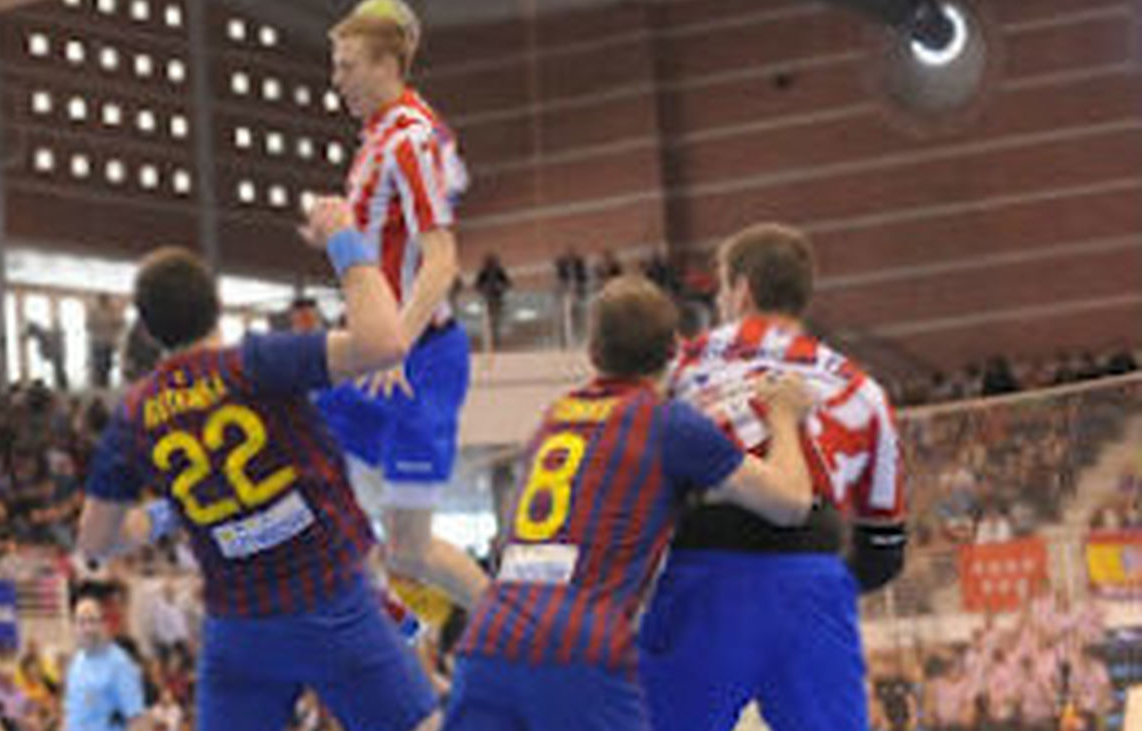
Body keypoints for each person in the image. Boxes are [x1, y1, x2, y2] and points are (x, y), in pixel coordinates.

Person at [76, 197, 439, 731]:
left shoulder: (134, 414)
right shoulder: (255, 362)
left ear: (148, 332)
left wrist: (165, 514)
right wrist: (343, 236)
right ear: (216, 305)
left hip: (240, 631)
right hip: (330, 599)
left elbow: (96, 541)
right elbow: (384, 342)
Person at [443, 275, 816, 730]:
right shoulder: (667, 424)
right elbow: (790, 503)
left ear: (592, 352)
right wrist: (784, 415)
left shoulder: (553, 418)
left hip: (488, 638)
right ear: (674, 349)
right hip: (577, 644)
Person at [640, 223, 907, 731]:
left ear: (741, 290)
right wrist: (811, 585)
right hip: (812, 575)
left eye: (722, 289)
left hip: (706, 572)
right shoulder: (863, 389)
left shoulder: (681, 366)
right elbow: (884, 550)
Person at [316, 0, 488, 610]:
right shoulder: (380, 135)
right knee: (301, 449)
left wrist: (398, 344)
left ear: (387, 64)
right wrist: (335, 233)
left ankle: (516, 637)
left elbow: (441, 260)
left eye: (348, 65)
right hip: (375, 350)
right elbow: (389, 241)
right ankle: (388, 622)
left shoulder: (411, 139)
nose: (336, 79)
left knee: (410, 550)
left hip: (416, 358)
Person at [63, 597, 148, 731]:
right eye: (81, 622)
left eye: (92, 621)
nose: (87, 629)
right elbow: (70, 715)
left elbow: (136, 720)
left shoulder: (119, 664)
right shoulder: (76, 663)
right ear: (74, 627)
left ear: (103, 624)